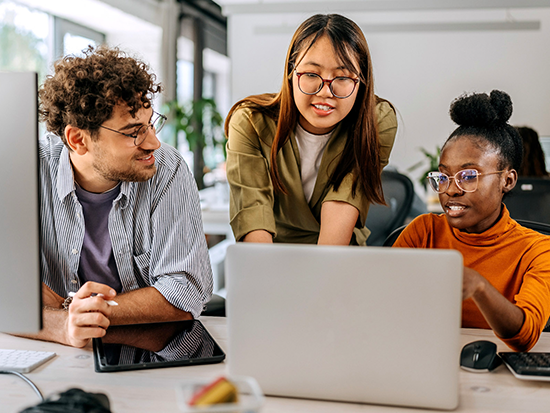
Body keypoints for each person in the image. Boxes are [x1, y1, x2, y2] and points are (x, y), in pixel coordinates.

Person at [30, 46, 212, 348]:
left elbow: (185, 291)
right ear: (78, 140)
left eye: (151, 123)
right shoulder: (27, 168)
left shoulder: (168, 169)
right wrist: (62, 326)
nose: (153, 143)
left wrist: (77, 311)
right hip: (53, 351)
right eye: (133, 132)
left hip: (149, 352)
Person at [394, 90, 550, 352]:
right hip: (423, 356)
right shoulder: (423, 232)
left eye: (468, 176)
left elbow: (525, 336)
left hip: (497, 369)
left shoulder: (538, 250)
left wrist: (479, 287)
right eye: (443, 177)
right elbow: (381, 301)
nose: (451, 190)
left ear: (507, 180)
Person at [225, 14, 397, 246]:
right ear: (291, 73)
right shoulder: (250, 121)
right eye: (311, 74)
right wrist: (265, 276)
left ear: (361, 81)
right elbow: (253, 213)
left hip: (338, 257)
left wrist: (318, 279)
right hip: (273, 256)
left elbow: (343, 202)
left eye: (343, 77)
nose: (325, 91)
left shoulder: (377, 120)